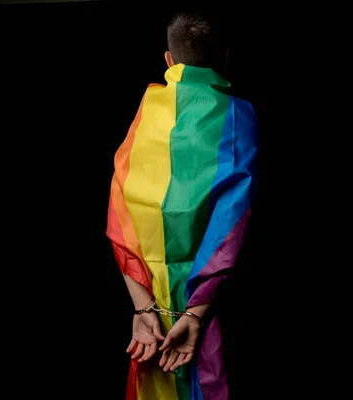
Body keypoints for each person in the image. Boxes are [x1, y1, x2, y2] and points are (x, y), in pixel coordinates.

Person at [106, 11, 258, 400]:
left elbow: (120, 215)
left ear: (169, 61)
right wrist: (195, 313)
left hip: (153, 311)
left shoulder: (146, 112)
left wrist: (143, 310)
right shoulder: (238, 114)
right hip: (212, 307)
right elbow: (233, 220)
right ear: (225, 56)